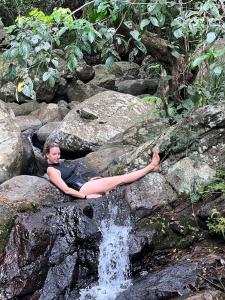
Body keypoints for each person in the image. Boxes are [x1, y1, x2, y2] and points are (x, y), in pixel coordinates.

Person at [43, 143, 160, 199]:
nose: (57, 156)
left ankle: (151, 167)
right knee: (121, 179)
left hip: (87, 184)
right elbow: (66, 189)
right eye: (54, 154)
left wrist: (90, 180)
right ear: (47, 155)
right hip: (83, 189)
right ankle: (151, 166)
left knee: (117, 184)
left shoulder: (60, 164)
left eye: (58, 153)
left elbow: (73, 176)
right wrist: (85, 197)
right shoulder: (51, 170)